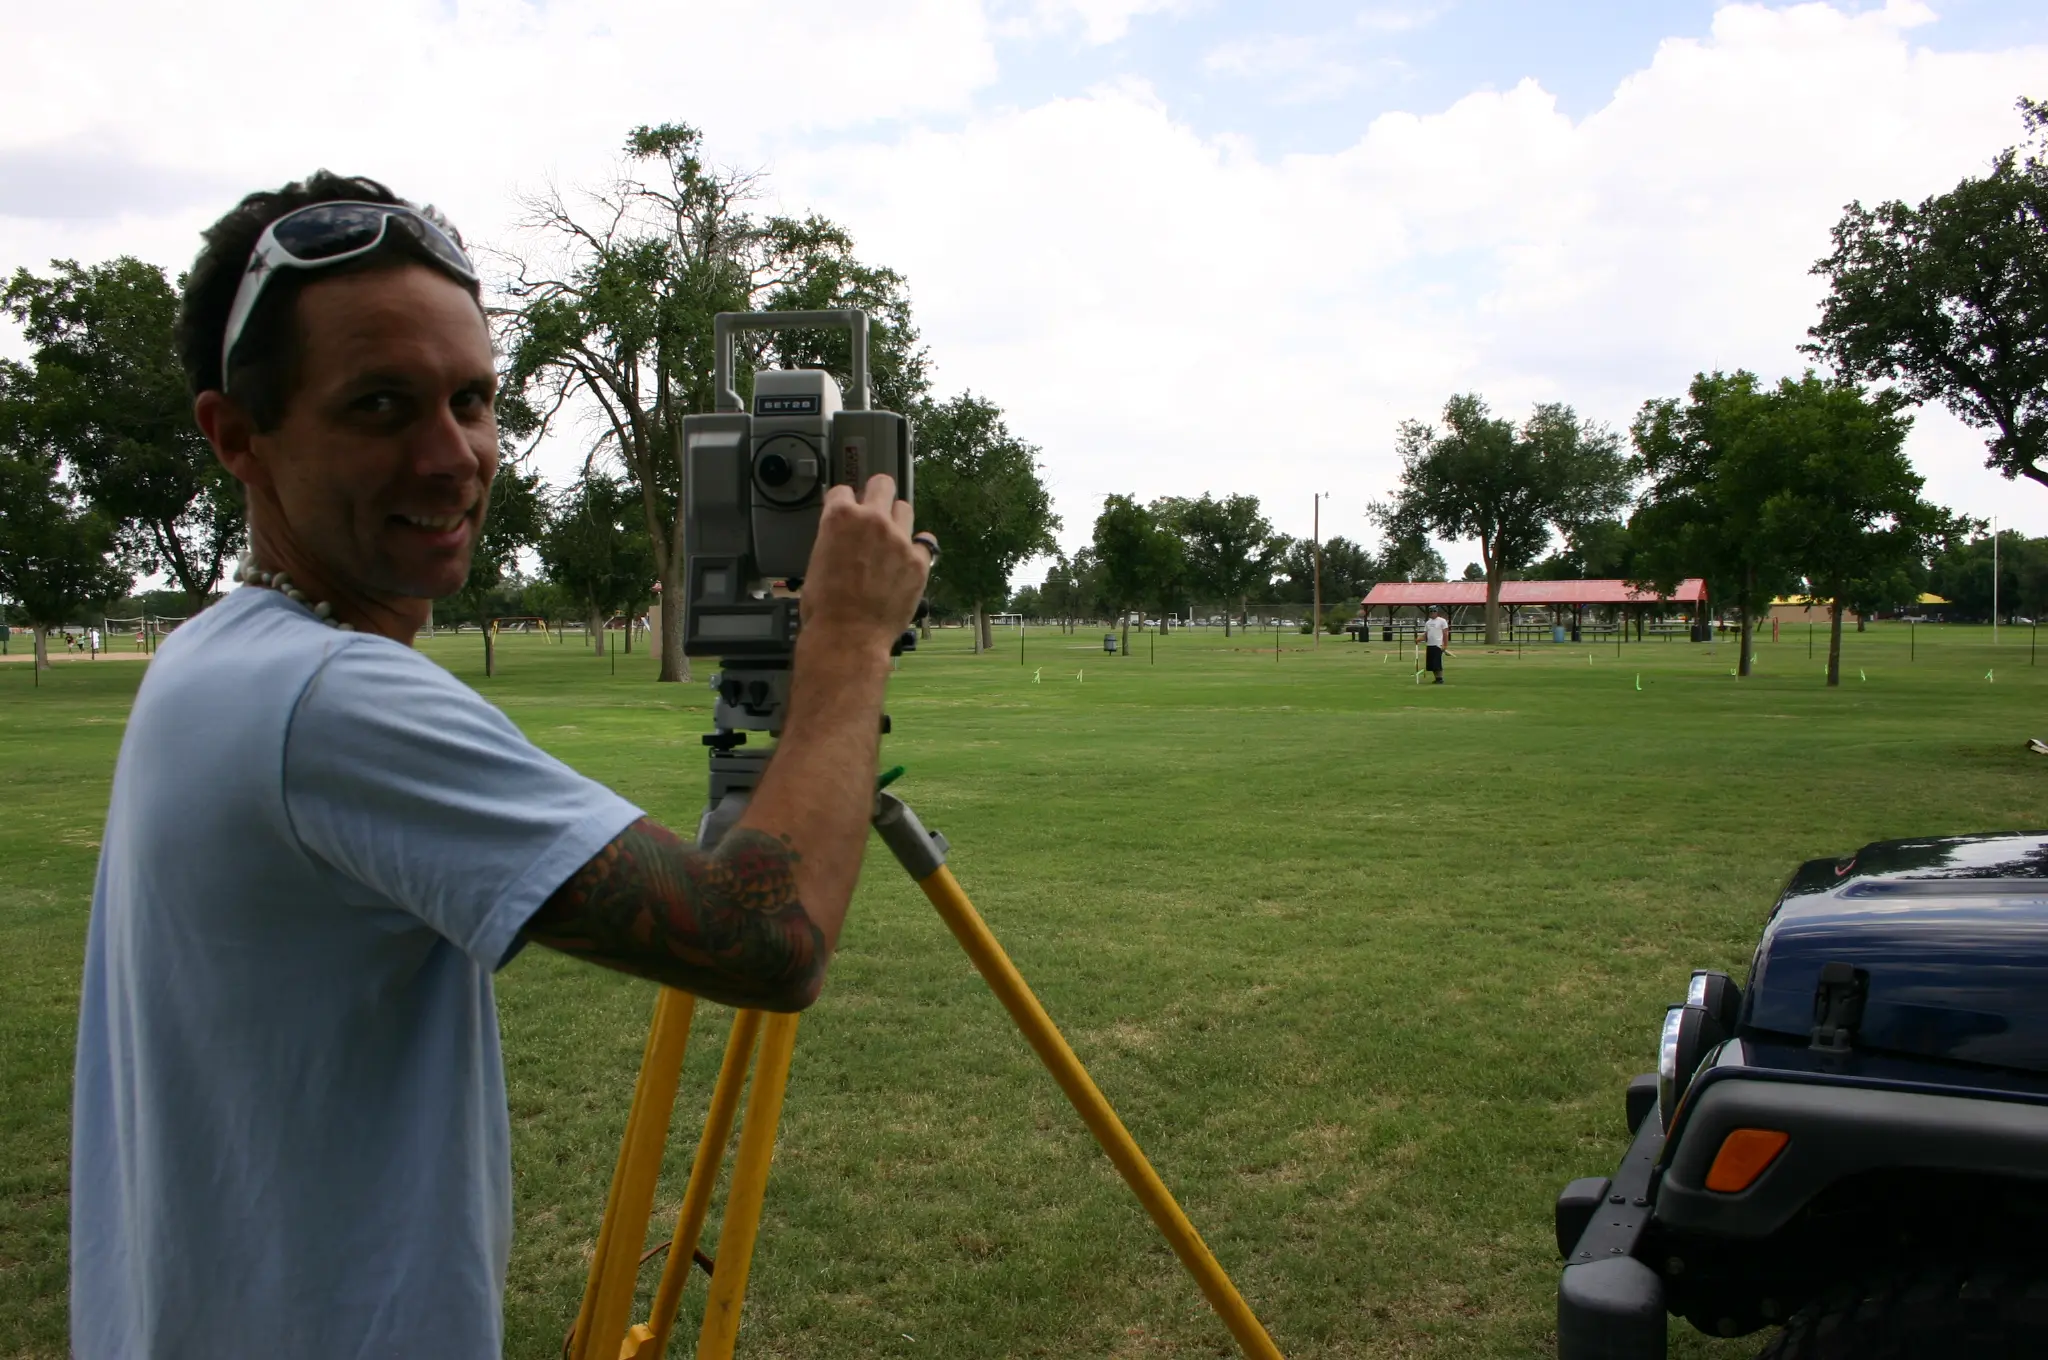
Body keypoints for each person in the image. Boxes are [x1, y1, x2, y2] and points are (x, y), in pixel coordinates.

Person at [69, 172, 935, 1360]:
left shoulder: (213, 659)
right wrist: (845, 642)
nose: (452, 456)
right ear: (238, 438)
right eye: (380, 406)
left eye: (472, 399)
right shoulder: (331, 698)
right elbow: (761, 935)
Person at [1423, 605, 1449, 683]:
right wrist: (1419, 639)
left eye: (1434, 611)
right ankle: (1436, 678)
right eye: (1431, 611)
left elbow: (1445, 633)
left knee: (1437, 662)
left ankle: (1440, 678)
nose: (1432, 613)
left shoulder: (1442, 621)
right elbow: (1425, 634)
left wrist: (1445, 645)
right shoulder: (1428, 622)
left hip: (1438, 645)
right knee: (1431, 664)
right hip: (1430, 645)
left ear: (1437, 612)